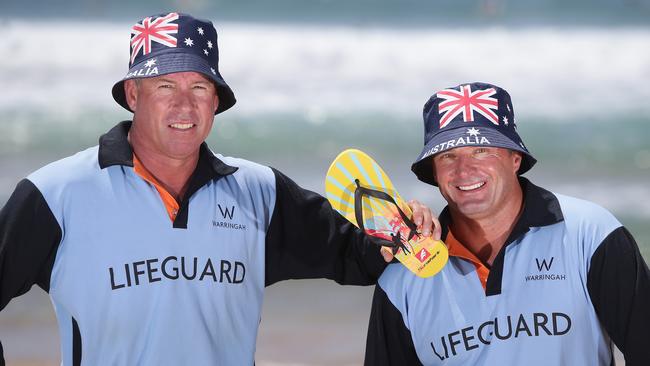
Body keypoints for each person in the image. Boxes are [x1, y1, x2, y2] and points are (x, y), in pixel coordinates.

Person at [0, 12, 435, 365]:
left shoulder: (258, 193)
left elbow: (356, 257)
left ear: (215, 101)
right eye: (165, 86)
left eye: (199, 87)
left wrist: (409, 232)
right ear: (133, 94)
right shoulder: (56, 195)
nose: (184, 104)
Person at [364, 82, 650, 365]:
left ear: (515, 158)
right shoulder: (403, 274)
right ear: (434, 173)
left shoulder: (591, 234)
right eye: (448, 155)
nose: (464, 170)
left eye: (481, 150)